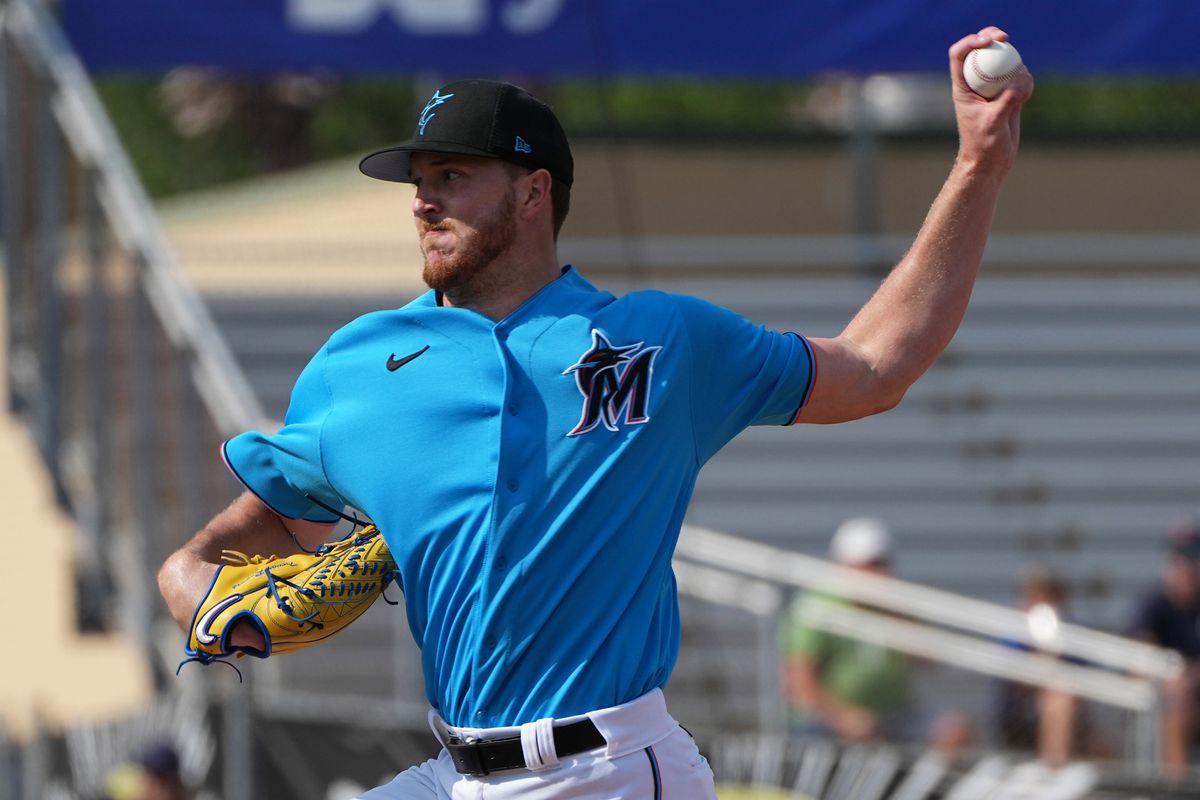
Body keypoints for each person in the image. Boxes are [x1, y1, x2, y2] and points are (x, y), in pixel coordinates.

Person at [157, 27, 1033, 799]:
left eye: (453, 176)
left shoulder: (662, 341)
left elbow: (875, 367)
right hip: (455, 774)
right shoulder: (360, 365)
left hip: (607, 770)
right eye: (418, 180)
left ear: (534, 194)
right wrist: (199, 593)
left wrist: (977, 167)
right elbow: (219, 548)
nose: (423, 200)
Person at [779, 517, 911, 741]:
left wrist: (894, 614)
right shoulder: (818, 607)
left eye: (880, 564)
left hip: (892, 714)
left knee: (952, 731)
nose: (873, 573)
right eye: (866, 565)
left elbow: (928, 658)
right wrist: (844, 717)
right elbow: (799, 680)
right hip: (824, 720)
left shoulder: (895, 604)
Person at [1128, 514, 1200, 775]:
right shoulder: (1153, 606)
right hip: (1168, 700)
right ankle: (1176, 788)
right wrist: (1173, 675)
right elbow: (1141, 656)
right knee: (1176, 700)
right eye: (1179, 561)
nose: (1186, 568)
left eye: (1191, 560)